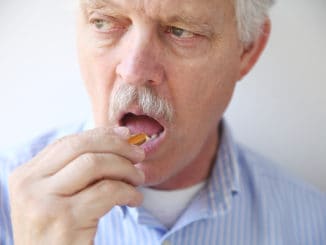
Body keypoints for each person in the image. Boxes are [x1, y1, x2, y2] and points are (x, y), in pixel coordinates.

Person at [1, 0, 325, 244]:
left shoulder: (313, 226)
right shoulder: (7, 205)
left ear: (247, 50)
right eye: (104, 22)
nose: (134, 70)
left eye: (181, 31)